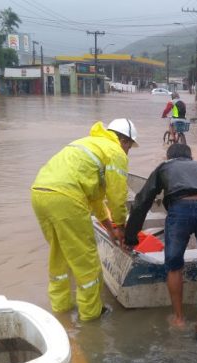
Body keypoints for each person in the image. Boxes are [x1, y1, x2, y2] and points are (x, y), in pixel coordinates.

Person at [31, 119, 138, 321]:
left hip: (39, 193)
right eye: (129, 147)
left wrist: (109, 228)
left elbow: (96, 200)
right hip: (66, 197)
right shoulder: (115, 153)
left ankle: (61, 309)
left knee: (59, 255)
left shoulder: (90, 143)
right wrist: (121, 227)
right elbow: (117, 197)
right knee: (87, 261)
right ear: (124, 140)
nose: (128, 152)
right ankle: (91, 316)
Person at [124, 143, 197, 340]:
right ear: (191, 157)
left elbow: (142, 202)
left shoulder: (164, 167)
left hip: (181, 210)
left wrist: (130, 237)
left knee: (174, 266)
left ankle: (179, 319)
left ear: (168, 157)